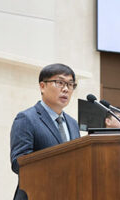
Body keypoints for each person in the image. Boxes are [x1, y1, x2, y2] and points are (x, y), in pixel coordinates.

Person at [10, 63, 81, 200]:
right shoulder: (27, 118)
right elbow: (18, 163)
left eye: (70, 84)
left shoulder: (72, 124)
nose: (66, 89)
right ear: (42, 86)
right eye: (60, 83)